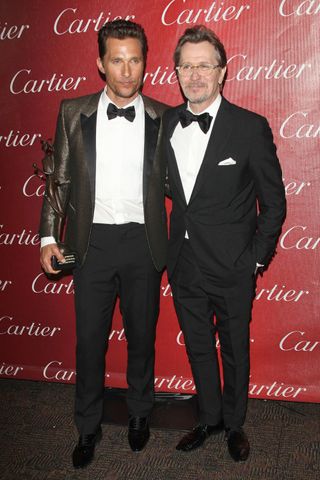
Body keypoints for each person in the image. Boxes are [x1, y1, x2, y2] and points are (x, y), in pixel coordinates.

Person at [39, 19, 167, 469]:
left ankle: (139, 415)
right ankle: (87, 427)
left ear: (145, 64)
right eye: (117, 60)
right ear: (100, 63)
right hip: (90, 243)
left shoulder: (162, 116)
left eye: (135, 60)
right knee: (90, 342)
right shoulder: (73, 112)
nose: (127, 70)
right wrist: (49, 236)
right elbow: (59, 178)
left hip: (143, 242)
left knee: (141, 339)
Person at [162, 25, 286, 462]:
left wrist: (254, 260)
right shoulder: (166, 125)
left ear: (222, 72)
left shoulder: (250, 128)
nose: (195, 76)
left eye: (204, 66)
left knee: (234, 348)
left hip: (234, 264)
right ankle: (208, 417)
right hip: (184, 262)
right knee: (198, 345)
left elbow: (274, 203)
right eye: (187, 66)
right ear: (176, 72)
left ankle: (234, 424)